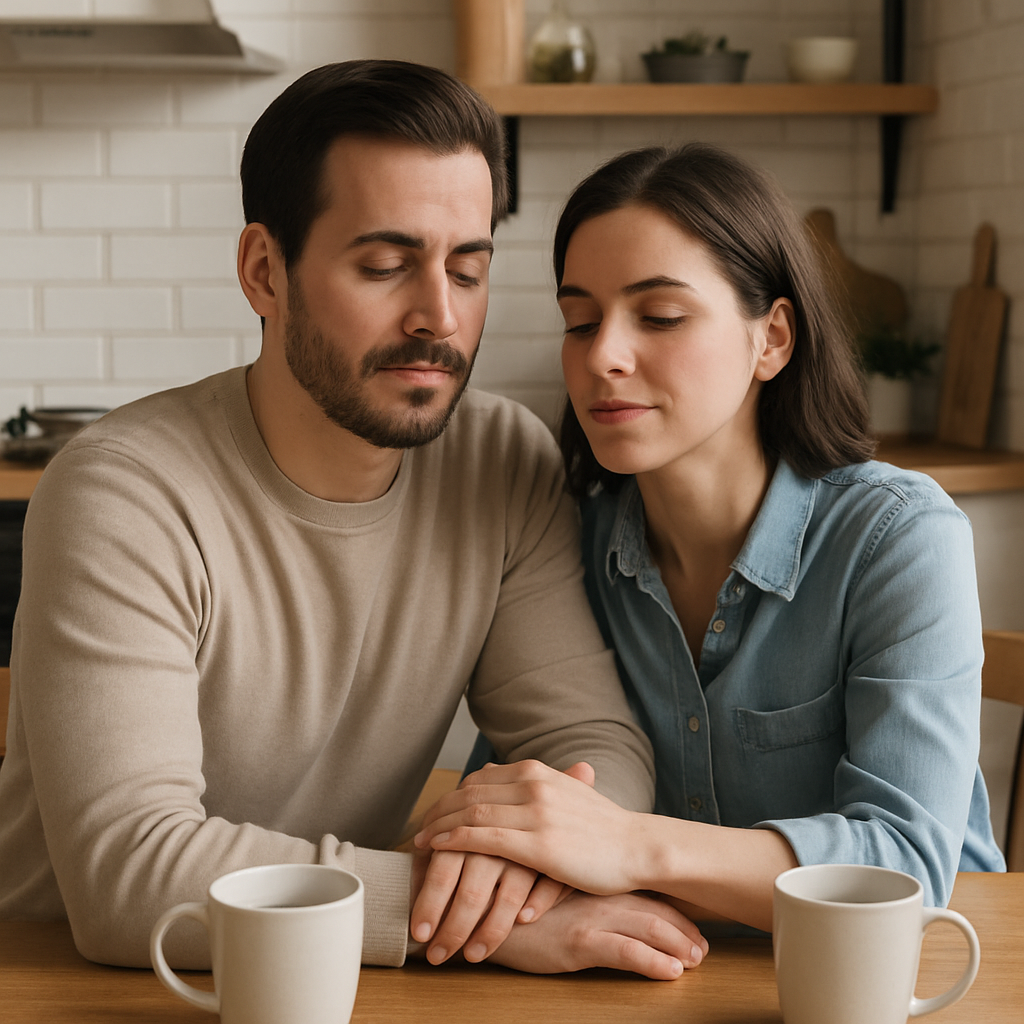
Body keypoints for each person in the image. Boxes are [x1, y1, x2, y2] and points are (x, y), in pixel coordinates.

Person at [0, 62, 708, 980]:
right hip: (78, 981)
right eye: (384, 265)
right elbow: (127, 877)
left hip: (341, 976)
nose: (439, 318)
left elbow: (591, 748)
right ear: (265, 271)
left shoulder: (501, 458)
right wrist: (444, 913)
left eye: (468, 268)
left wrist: (507, 878)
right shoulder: (123, 491)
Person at [416, 143, 1007, 931]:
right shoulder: (562, 543)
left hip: (921, 980)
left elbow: (906, 863)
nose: (603, 357)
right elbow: (529, 805)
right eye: (580, 321)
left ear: (772, 340)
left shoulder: (898, 539)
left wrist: (633, 846)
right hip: (662, 975)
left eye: (659, 316)